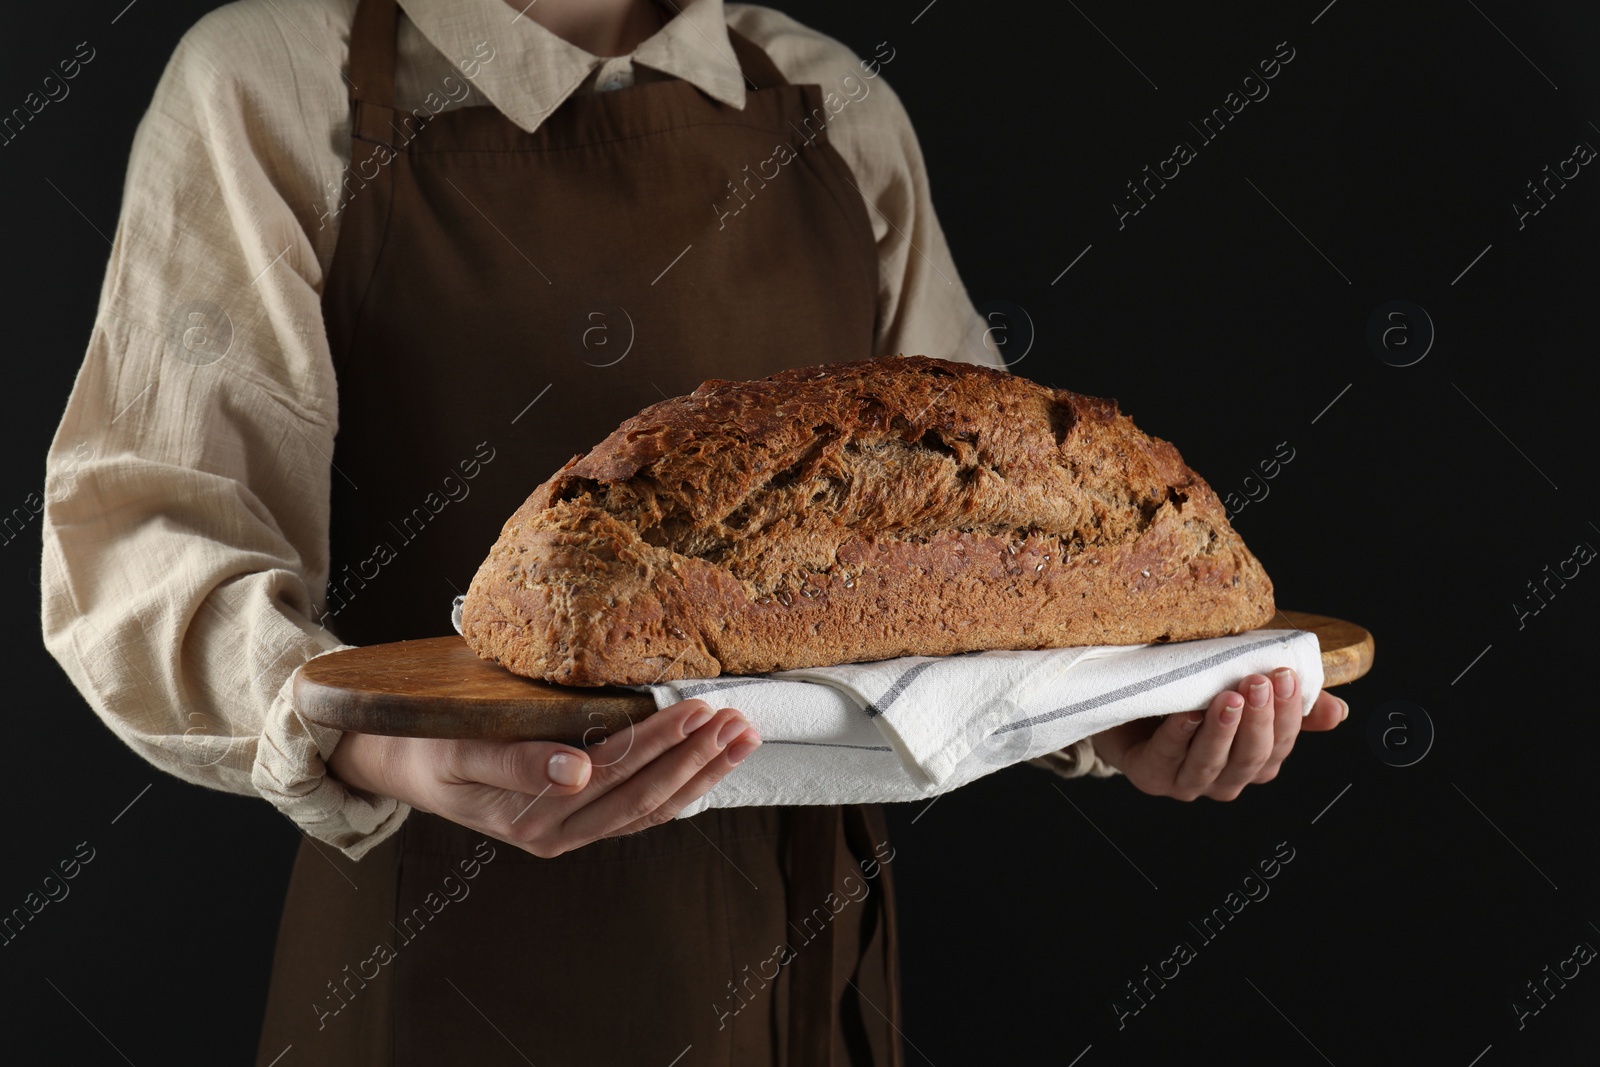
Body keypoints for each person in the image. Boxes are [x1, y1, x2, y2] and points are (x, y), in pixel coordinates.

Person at [39, 0, 1348, 1063]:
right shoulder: (274, 80)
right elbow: (139, 537)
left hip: (806, 974)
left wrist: (1114, 711)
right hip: (445, 954)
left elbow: (985, 532)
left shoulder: (834, 107)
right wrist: (366, 741)